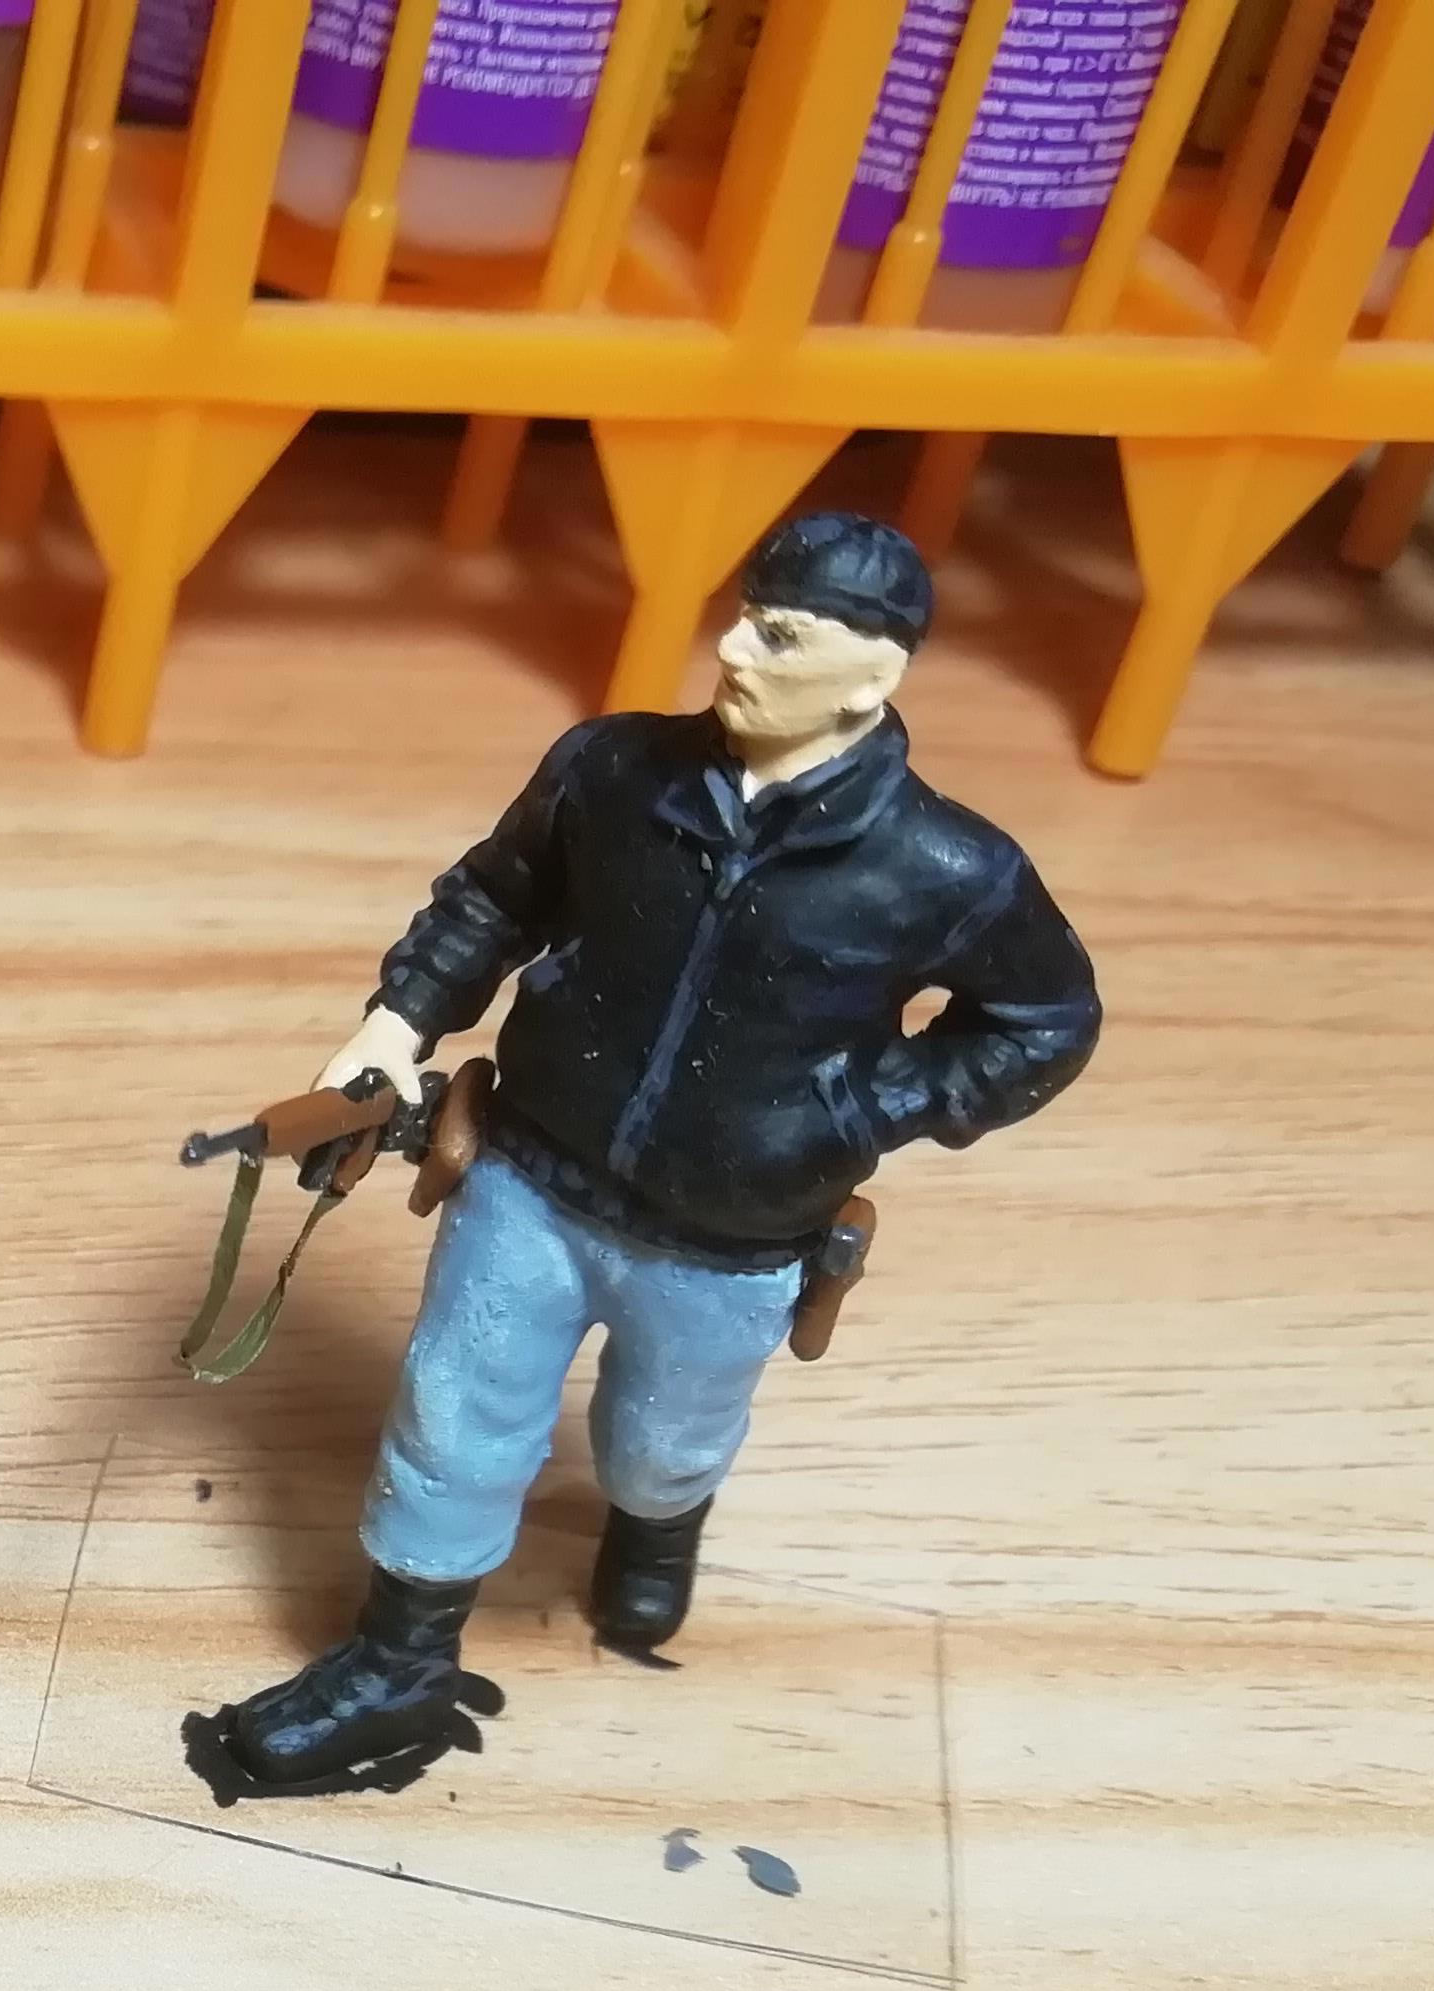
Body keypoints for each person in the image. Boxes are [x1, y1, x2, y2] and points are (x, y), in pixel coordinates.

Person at [192, 510, 1100, 1803]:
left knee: (661, 1441)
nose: (732, 647)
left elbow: (1044, 1021)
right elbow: (495, 895)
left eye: (779, 635)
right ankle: (397, 1662)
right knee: (453, 1416)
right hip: (529, 1179)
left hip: (728, 1241)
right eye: (744, 616)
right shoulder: (614, 771)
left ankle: (658, 1530)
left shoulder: (944, 866)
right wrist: (395, 1026)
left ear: (872, 675)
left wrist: (853, 1111)